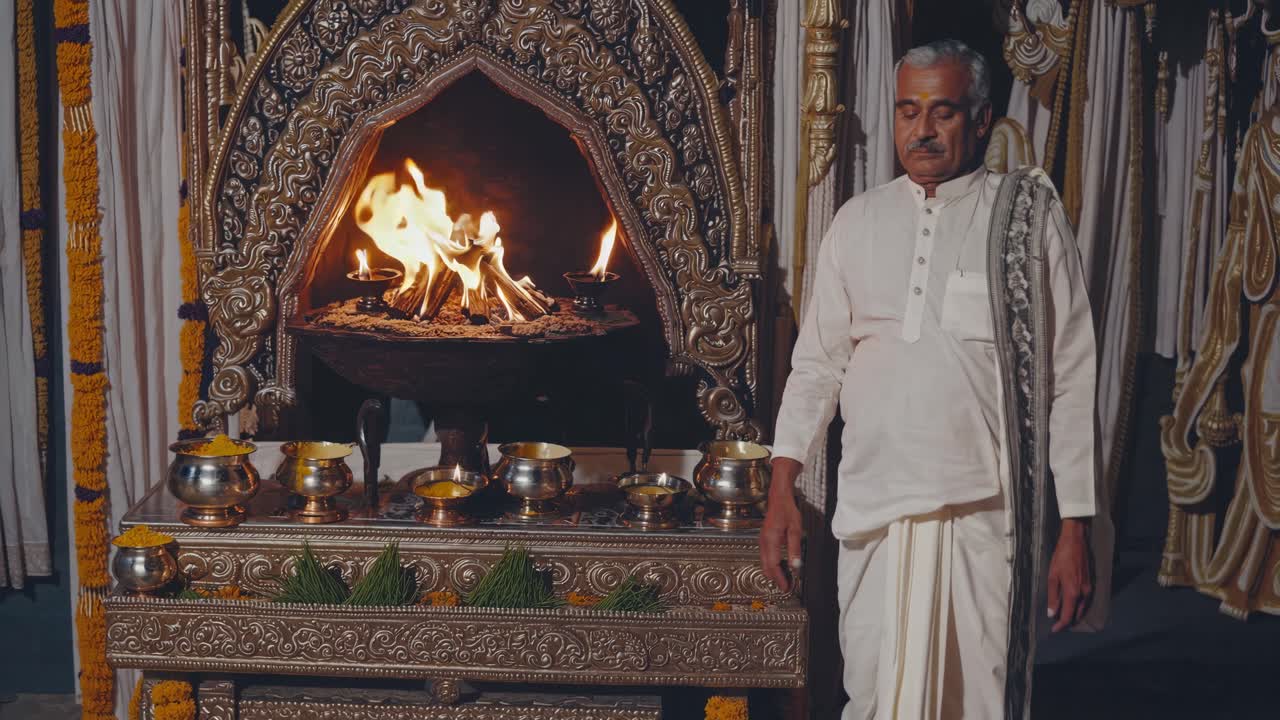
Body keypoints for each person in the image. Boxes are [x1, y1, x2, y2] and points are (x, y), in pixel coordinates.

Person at [761, 39, 1097, 720]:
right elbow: (817, 364)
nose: (922, 131)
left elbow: (1070, 371)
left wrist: (1076, 526)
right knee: (876, 694)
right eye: (908, 111)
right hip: (874, 509)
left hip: (984, 512)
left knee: (976, 702)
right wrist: (781, 486)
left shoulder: (1027, 221)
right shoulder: (857, 222)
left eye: (942, 113)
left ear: (980, 119)